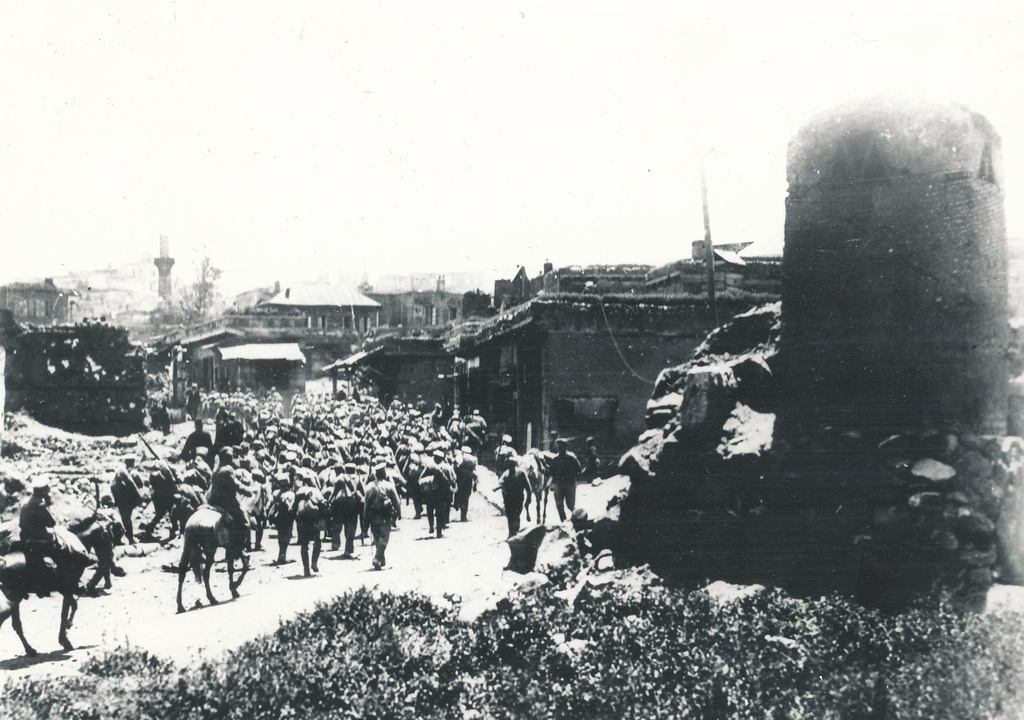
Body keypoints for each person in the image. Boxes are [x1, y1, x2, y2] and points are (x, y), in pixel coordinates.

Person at [206, 449, 253, 555]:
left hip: (214, 501)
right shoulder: (227, 469)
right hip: (227, 503)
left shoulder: (216, 469)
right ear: (227, 458)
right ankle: (238, 549)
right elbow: (237, 486)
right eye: (231, 457)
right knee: (244, 524)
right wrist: (249, 492)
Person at [19, 477, 58, 592]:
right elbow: (51, 523)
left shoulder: (25, 501)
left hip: (25, 537)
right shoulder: (39, 505)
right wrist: (48, 505)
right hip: (36, 539)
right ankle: (54, 580)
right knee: (59, 544)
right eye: (46, 490)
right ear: (44, 491)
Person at [363, 461, 401, 570]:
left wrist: (365, 517)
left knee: (377, 537)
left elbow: (366, 503)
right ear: (384, 473)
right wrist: (399, 513)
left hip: (373, 515)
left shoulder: (370, 486)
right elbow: (397, 501)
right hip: (385, 515)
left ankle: (380, 560)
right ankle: (377, 558)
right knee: (384, 538)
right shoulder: (389, 486)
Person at [111, 457, 146, 545]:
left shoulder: (120, 472)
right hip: (128, 500)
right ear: (133, 462)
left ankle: (118, 539)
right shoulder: (133, 472)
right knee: (127, 519)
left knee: (122, 519)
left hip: (119, 499)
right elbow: (140, 484)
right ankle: (130, 539)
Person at [499, 450, 532, 537]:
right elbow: (500, 482)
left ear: (515, 464)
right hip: (508, 499)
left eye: (512, 464)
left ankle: (516, 532)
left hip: (518, 498)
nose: (510, 466)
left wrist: (529, 497)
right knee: (510, 516)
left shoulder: (521, 473)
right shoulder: (506, 474)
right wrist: (499, 487)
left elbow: (528, 486)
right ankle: (511, 533)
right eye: (509, 464)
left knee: (516, 515)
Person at [548, 438, 582, 522]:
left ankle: (577, 520)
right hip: (559, 484)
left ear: (565, 447)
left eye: (561, 446)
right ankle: (564, 521)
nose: (559, 448)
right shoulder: (555, 459)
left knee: (570, 505)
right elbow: (551, 471)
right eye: (558, 446)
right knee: (559, 505)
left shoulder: (571, 457)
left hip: (570, 484)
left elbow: (579, 470)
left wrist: (574, 479)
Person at [454, 445, 478, 522]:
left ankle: (458, 506)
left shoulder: (459, 458)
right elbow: (475, 472)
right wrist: (475, 485)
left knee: (460, 495)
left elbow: (455, 469)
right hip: (468, 481)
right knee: (466, 498)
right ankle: (463, 516)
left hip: (460, 480)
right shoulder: (473, 460)